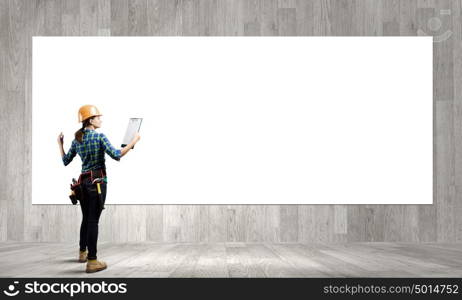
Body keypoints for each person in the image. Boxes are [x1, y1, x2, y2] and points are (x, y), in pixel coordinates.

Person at [57, 104, 141, 273]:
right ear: (90, 119)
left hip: (82, 184)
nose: (100, 119)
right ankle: (92, 261)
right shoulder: (99, 137)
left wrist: (60, 144)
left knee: (86, 218)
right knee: (93, 221)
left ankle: (82, 252)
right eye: (98, 117)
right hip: (97, 184)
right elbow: (117, 155)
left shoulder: (77, 140)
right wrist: (134, 140)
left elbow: (65, 160)